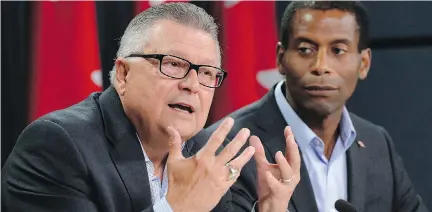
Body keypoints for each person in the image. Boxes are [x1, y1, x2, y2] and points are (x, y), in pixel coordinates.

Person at [2, 2, 300, 212]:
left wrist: (270, 208)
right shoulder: (57, 146)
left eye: (208, 73)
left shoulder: (206, 152)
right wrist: (177, 209)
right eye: (173, 65)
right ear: (123, 74)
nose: (192, 84)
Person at [206, 1, 429, 212]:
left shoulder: (377, 143)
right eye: (305, 49)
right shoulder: (226, 147)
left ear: (364, 64)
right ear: (281, 59)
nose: (321, 66)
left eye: (338, 50)